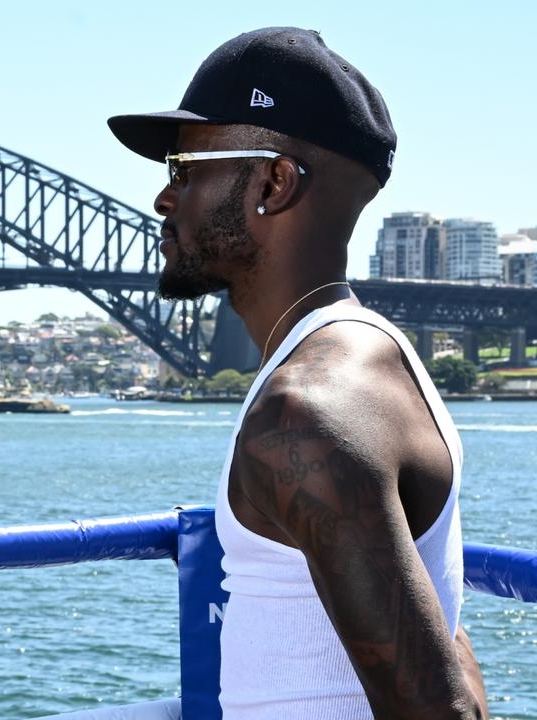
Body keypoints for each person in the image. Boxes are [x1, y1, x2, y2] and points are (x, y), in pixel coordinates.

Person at [109, 28, 489, 719]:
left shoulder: (309, 410)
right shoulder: (367, 359)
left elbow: (440, 711)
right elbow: (446, 642)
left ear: (273, 182)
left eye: (184, 170)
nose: (165, 200)